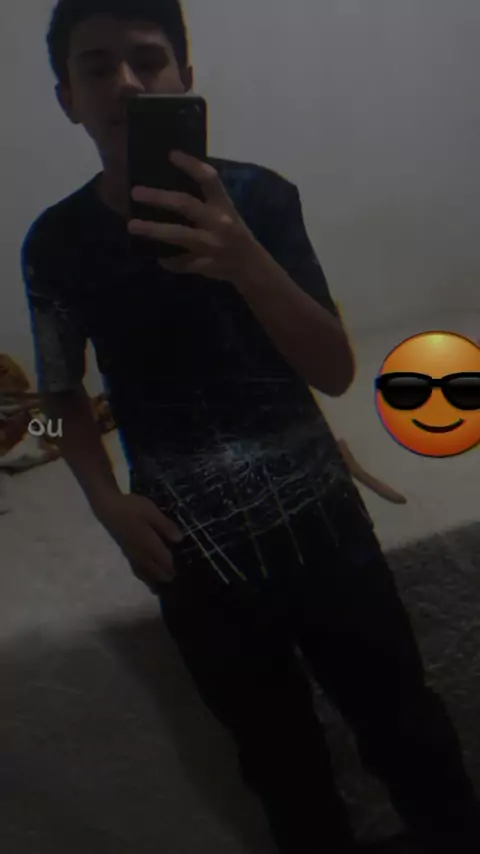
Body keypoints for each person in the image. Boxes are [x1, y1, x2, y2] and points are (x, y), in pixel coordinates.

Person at [22, 1, 479, 851]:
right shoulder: (54, 244)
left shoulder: (261, 199)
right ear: (66, 98)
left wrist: (245, 261)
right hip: (192, 552)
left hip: (324, 523)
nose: (127, 83)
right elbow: (56, 396)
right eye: (97, 65)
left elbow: (335, 372)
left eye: (148, 59)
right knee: (279, 764)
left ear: (186, 79)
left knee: (409, 730)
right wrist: (104, 502)